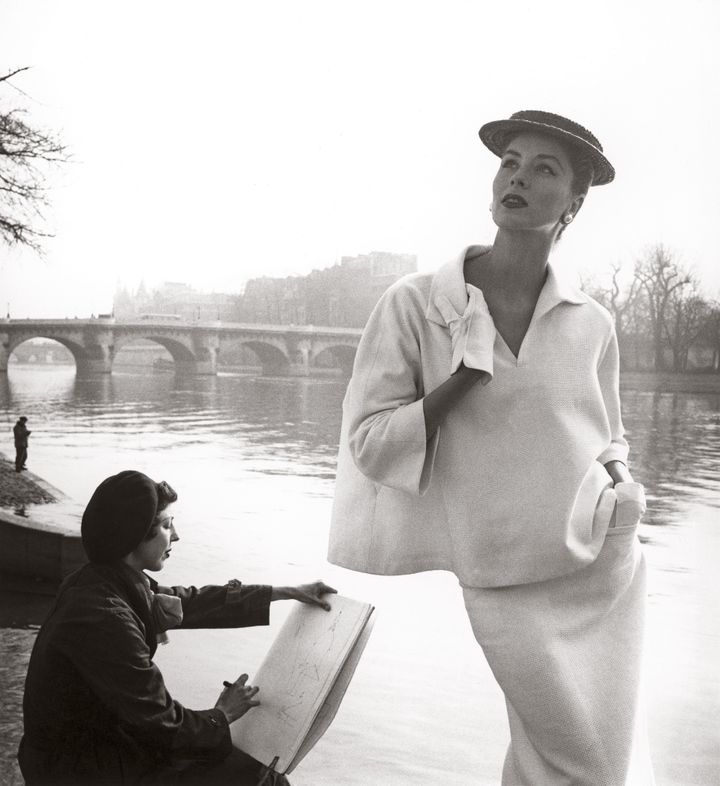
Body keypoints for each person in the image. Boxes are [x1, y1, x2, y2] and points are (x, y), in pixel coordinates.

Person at [328, 110, 654, 784]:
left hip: (599, 560)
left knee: (576, 762)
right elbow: (368, 443)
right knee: (580, 763)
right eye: (510, 160)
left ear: (574, 202)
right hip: (499, 575)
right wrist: (459, 383)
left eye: (544, 170)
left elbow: (607, 432)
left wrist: (623, 484)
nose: (519, 177)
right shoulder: (414, 305)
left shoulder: (591, 322)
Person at [19, 470, 336, 785]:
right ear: (134, 536)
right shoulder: (106, 618)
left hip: (100, 744)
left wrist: (283, 592)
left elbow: (191, 602)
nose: (177, 535)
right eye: (167, 526)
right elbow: (162, 722)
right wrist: (222, 714)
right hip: (82, 769)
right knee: (260, 779)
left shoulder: (101, 581)